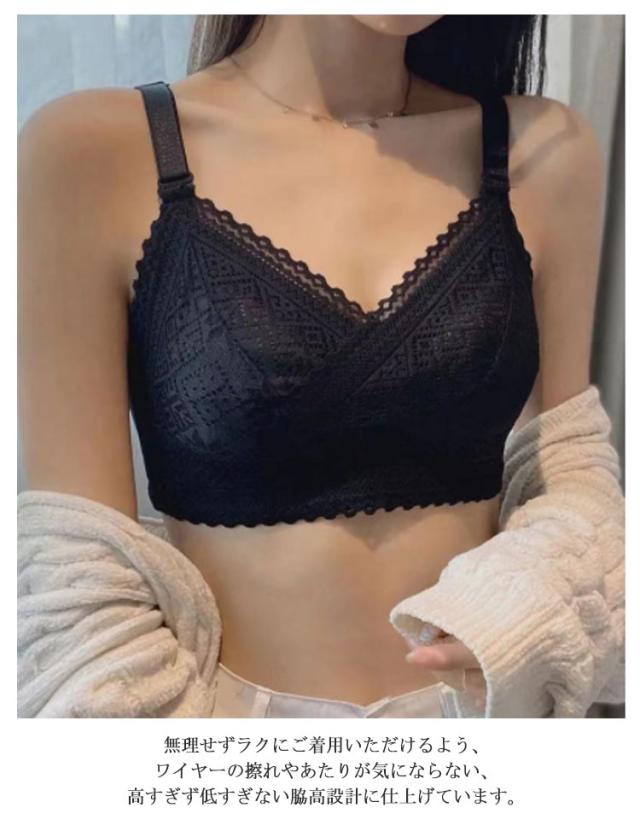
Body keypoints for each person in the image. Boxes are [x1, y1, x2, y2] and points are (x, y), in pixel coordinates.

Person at [18, 15, 615, 717]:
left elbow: (570, 474)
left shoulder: (543, 152)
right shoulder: (93, 153)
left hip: (490, 720)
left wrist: (526, 610)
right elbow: (76, 578)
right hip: (223, 738)